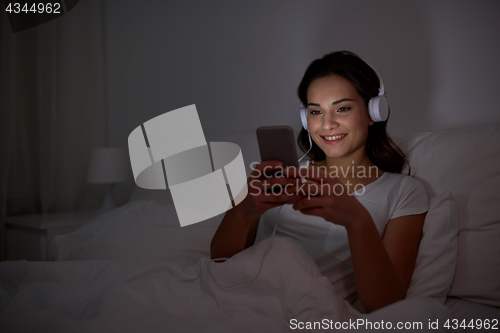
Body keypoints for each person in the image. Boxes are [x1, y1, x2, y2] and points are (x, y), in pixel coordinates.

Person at [210, 51, 428, 313]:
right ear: (306, 118)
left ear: (373, 112)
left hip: (298, 314)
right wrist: (243, 211)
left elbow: (386, 305)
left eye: (343, 108)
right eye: (316, 111)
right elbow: (219, 260)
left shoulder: (403, 192)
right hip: (232, 298)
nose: (327, 124)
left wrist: (356, 221)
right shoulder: (281, 174)